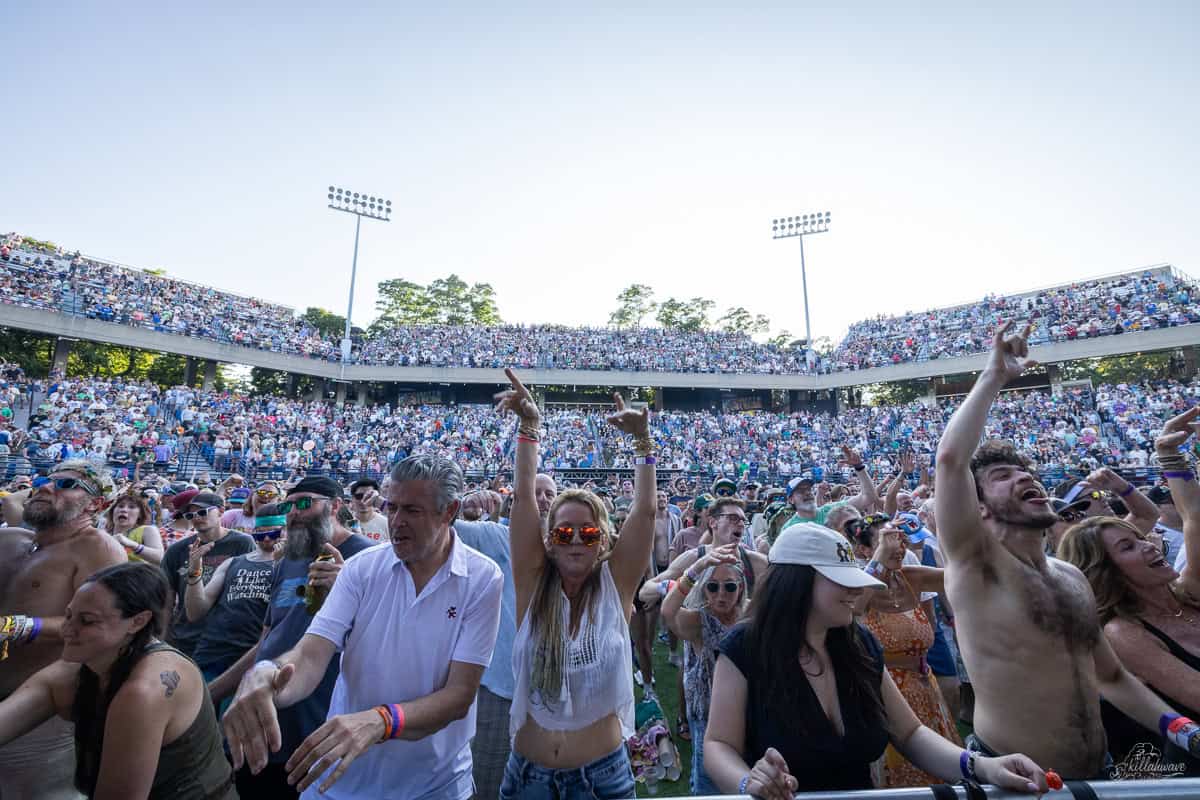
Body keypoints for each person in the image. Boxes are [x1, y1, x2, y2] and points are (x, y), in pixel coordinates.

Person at [935, 321, 1200, 778]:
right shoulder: (976, 567)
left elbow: (1111, 677)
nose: (1024, 477)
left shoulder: (1071, 576)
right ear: (978, 509)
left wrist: (1184, 732)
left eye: (1025, 473)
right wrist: (994, 376)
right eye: (1001, 477)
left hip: (1098, 773)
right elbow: (950, 460)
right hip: (1019, 783)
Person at [223, 458, 502, 800]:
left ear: (449, 511)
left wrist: (382, 721)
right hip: (338, 782)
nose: (396, 521)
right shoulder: (360, 569)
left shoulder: (483, 578)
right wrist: (269, 674)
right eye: (392, 507)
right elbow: (311, 654)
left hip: (433, 785)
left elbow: (459, 695)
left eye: (412, 510)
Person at [703, 524, 1049, 798]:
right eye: (841, 580)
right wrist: (750, 782)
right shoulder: (745, 647)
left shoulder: (859, 644)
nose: (856, 591)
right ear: (797, 583)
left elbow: (910, 733)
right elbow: (718, 745)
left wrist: (982, 767)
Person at [498, 370, 654, 799]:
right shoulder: (532, 582)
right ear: (549, 540)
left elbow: (645, 512)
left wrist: (643, 442)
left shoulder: (615, 587)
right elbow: (524, 496)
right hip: (528, 777)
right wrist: (530, 427)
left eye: (588, 533)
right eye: (564, 533)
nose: (576, 541)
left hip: (602, 778)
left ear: (602, 540)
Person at [0, 563, 237, 799]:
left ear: (137, 621)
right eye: (69, 615)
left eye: (87, 621)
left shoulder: (144, 690)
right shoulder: (74, 672)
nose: (67, 630)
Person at [210, 476, 373, 799]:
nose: (293, 513)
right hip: (264, 719)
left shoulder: (369, 559)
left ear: (335, 506)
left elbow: (387, 642)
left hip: (319, 727)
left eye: (304, 503)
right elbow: (267, 641)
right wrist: (215, 692)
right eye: (287, 506)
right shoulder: (289, 560)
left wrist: (350, 594)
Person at [1058, 406, 1200, 772]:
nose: (1149, 545)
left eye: (1139, 538)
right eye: (1128, 547)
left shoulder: (1189, 591)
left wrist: (1168, 453)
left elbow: (1195, 519)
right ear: (1108, 573)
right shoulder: (1123, 632)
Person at [0, 460, 127, 800]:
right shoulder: (10, 540)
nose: (45, 486)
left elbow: (104, 624)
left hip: (44, 714)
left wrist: (18, 626)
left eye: (66, 484)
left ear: (96, 504)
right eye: (45, 479)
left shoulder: (97, 548)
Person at [854, 520, 961, 786]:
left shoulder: (911, 577)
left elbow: (963, 577)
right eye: (886, 542)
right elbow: (855, 608)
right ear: (865, 550)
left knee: (936, 770)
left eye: (901, 541)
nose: (897, 548)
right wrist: (880, 556)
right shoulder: (857, 587)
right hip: (886, 695)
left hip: (925, 690)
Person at [660, 548, 748, 794]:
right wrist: (696, 569)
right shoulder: (699, 621)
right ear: (704, 588)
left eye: (729, 587)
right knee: (708, 783)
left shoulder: (749, 615)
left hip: (745, 710)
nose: (721, 594)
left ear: (741, 587)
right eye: (712, 586)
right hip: (707, 716)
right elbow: (668, 611)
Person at [453, 514, 517, 800]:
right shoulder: (495, 535)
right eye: (534, 494)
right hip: (500, 688)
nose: (542, 500)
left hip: (548, 693)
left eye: (548, 494)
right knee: (488, 778)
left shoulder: (565, 547)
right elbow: (441, 523)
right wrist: (469, 502)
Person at [185, 503, 282, 683]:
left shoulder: (292, 565)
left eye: (274, 533)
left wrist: (283, 563)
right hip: (212, 652)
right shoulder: (232, 563)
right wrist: (194, 572)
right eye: (260, 534)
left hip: (255, 657)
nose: (267, 538)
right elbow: (195, 612)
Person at [159, 492, 254, 659]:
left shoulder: (242, 543)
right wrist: (163, 637)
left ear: (221, 511)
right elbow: (166, 598)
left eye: (203, 512)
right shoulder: (177, 550)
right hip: (185, 637)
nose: (197, 518)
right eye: (190, 515)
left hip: (227, 639)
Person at [105, 488, 165, 565]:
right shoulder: (104, 533)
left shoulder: (147, 530)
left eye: (131, 507)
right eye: (120, 506)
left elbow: (160, 558)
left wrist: (132, 545)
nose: (124, 510)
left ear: (140, 514)